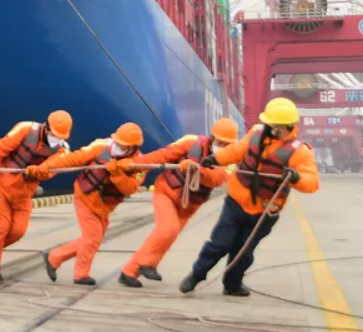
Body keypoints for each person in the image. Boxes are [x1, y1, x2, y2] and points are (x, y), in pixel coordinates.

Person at [180, 98, 319, 296]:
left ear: (282, 128)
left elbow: (312, 182)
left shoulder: (300, 152)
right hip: (236, 202)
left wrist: (296, 176)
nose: (266, 126)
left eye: (271, 124)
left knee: (243, 252)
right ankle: (196, 275)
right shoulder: (255, 134)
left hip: (264, 211)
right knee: (219, 243)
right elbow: (236, 151)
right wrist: (215, 159)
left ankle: (232, 285)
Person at [117, 118, 237, 287]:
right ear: (212, 137)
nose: (222, 146)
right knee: (168, 229)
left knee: (166, 236)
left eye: (226, 144)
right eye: (220, 142)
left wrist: (196, 168)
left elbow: (217, 179)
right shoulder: (190, 142)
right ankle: (148, 264)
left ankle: (129, 272)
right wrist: (133, 165)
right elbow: (161, 156)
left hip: (189, 204)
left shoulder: (232, 159)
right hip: (166, 191)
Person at [0, 110, 73, 281]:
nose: (57, 139)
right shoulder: (25, 129)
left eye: (61, 136)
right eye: (55, 135)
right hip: (1, 185)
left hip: (24, 192)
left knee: (18, 231)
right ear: (47, 127)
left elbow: (53, 168)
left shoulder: (62, 150)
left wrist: (40, 171)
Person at [34, 122, 145, 285]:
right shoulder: (99, 147)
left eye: (124, 144)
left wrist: (117, 174)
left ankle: (54, 257)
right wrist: (46, 166)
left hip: (105, 207)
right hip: (85, 197)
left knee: (93, 240)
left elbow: (130, 188)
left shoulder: (140, 162)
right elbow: (72, 159)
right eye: (118, 141)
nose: (119, 145)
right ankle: (81, 275)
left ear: (133, 147)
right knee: (92, 239)